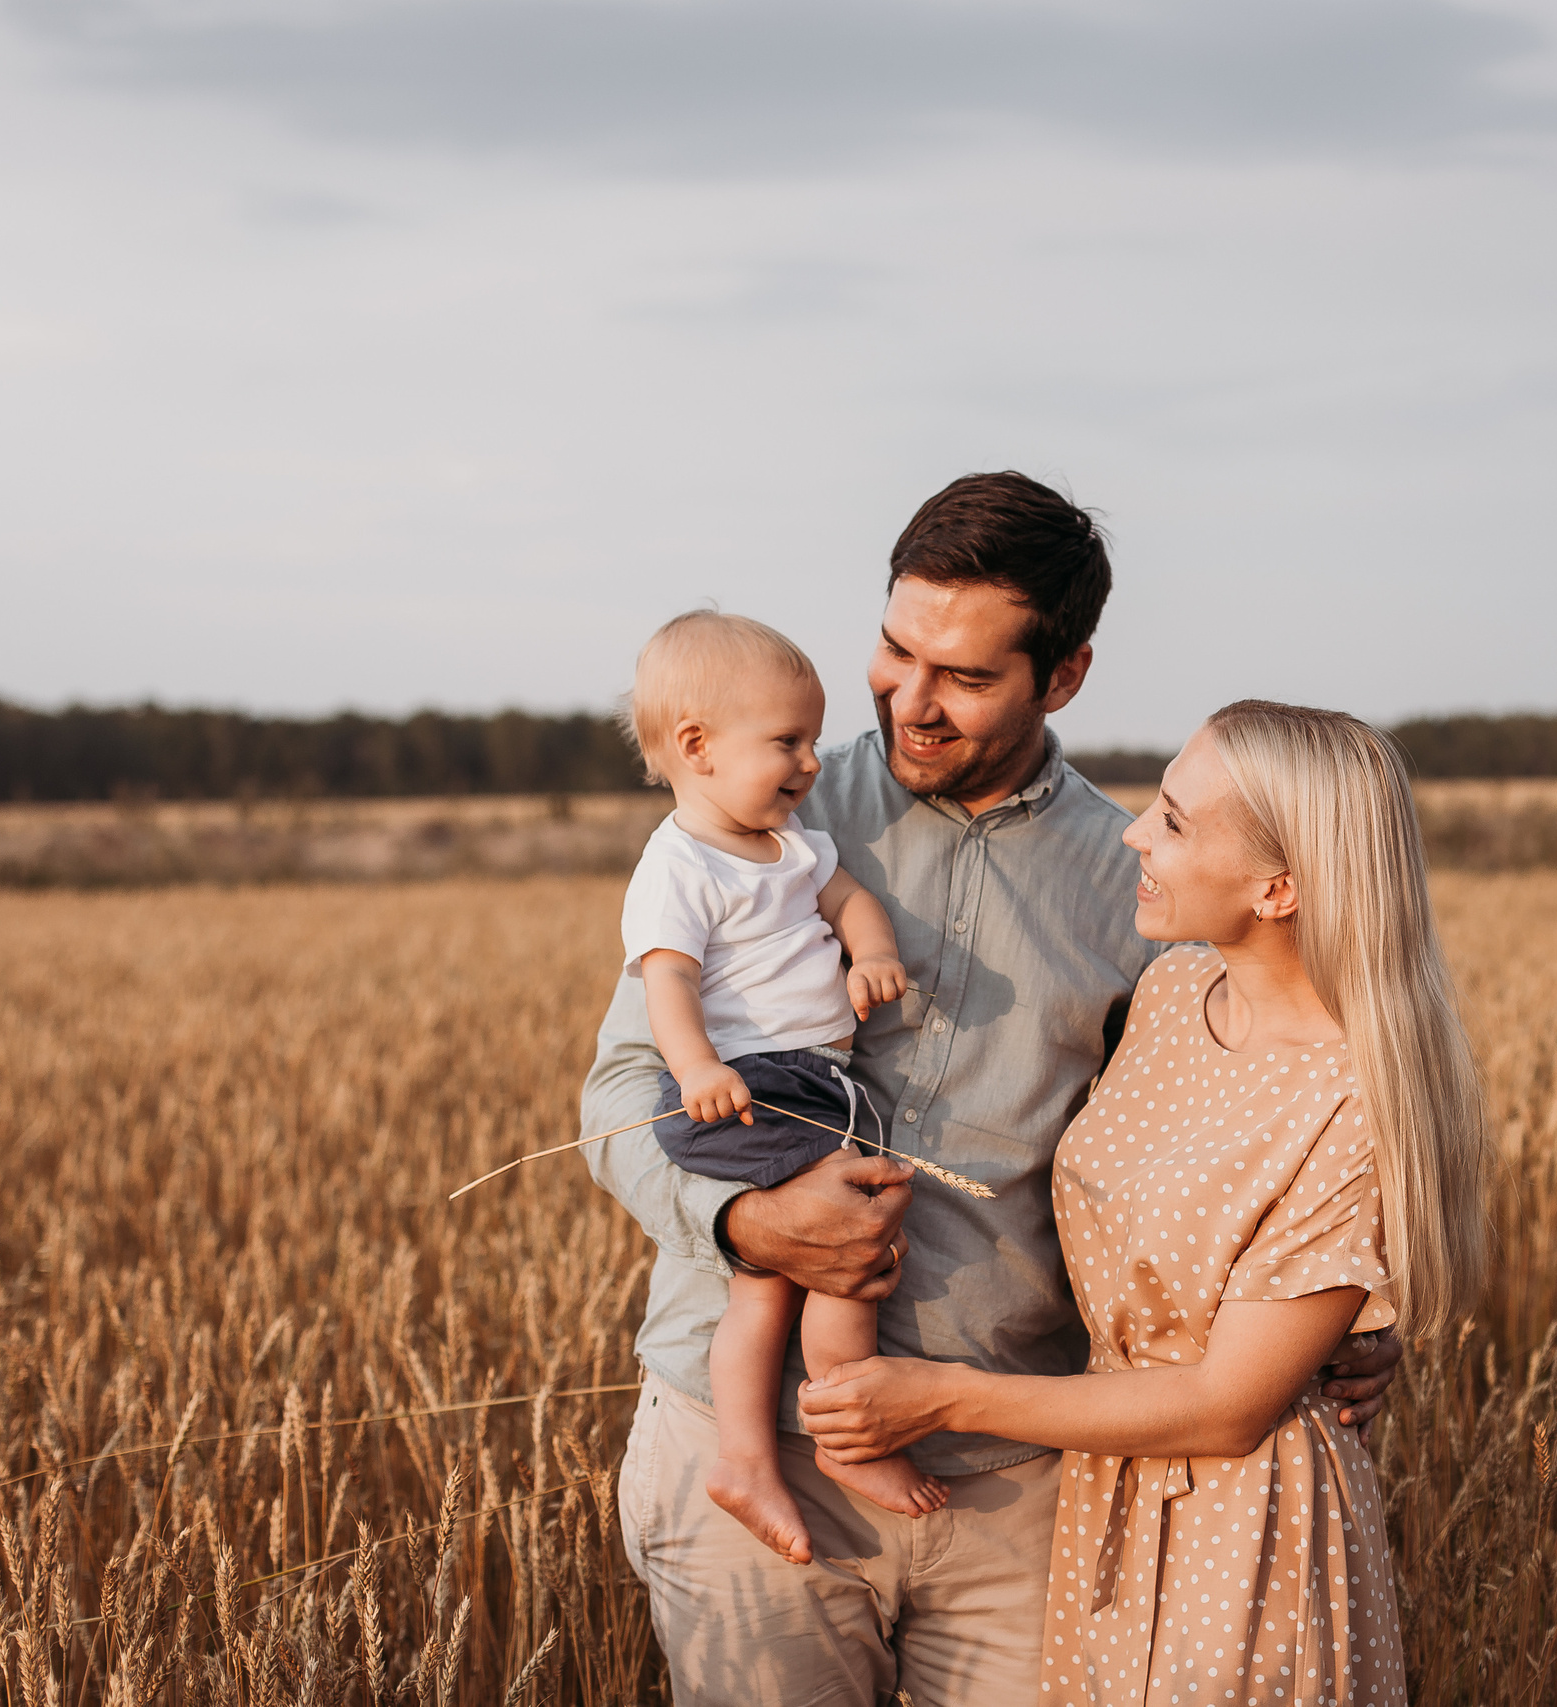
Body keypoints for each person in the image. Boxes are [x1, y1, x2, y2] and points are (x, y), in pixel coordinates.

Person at [581, 473, 1404, 1707]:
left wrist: (1322, 1323)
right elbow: (621, 1092)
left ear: (1062, 675)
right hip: (749, 1448)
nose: (911, 701)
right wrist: (743, 1221)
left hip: (1016, 1485)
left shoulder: (1136, 883)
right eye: (895, 651)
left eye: (963, 677)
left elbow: (1224, 1140)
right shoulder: (762, 820)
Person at [799, 701, 1490, 1707]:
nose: (1132, 833)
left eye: (1173, 819)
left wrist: (938, 1394)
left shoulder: (1354, 1096)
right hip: (1102, 1494)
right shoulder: (1170, 994)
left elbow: (1226, 1406)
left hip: (1249, 1530)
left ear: (1279, 884)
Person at [615, 610, 947, 1561]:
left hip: (819, 1083)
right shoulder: (679, 864)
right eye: (786, 741)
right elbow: (668, 980)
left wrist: (871, 955)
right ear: (698, 748)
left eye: (810, 737)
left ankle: (748, 1458)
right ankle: (834, 1440)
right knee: (851, 1251)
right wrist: (698, 1068)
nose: (809, 761)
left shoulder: (790, 839)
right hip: (748, 1089)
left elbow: (847, 901)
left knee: (767, 1290)